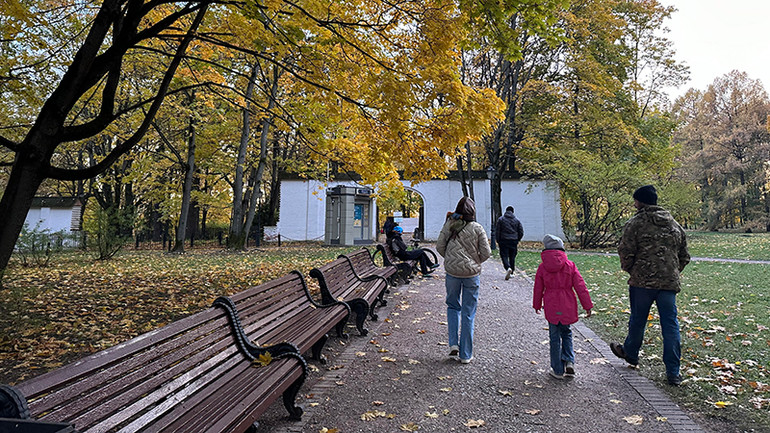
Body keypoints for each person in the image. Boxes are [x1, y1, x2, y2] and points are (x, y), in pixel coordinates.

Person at [610, 185, 690, 386]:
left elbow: (625, 251)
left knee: (638, 319)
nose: (634, 204)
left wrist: (632, 270)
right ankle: (673, 372)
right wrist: (671, 272)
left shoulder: (635, 223)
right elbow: (684, 255)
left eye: (635, 200)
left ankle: (631, 353)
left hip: (642, 282)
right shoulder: (674, 224)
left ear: (640, 202)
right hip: (668, 284)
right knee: (670, 325)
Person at [436, 197, 491, 364]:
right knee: (468, 312)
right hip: (471, 275)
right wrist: (475, 262)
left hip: (452, 274)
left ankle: (453, 344)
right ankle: (466, 354)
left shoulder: (450, 225)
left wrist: (451, 259)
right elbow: (486, 253)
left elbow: (439, 246)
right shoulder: (477, 228)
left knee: (453, 307)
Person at [533, 234, 593, 379]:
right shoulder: (570, 265)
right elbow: (580, 286)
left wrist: (537, 304)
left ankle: (557, 369)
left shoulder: (542, 267)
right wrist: (587, 305)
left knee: (554, 337)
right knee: (567, 333)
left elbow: (538, 288)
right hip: (567, 303)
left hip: (551, 304)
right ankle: (569, 361)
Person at [496, 205, 524, 280]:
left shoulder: (501, 219)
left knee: (504, 255)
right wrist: (517, 239)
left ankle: (508, 267)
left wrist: (498, 240)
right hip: (513, 241)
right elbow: (521, 231)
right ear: (512, 212)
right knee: (512, 256)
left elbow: (498, 231)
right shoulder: (517, 220)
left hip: (503, 240)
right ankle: (512, 272)